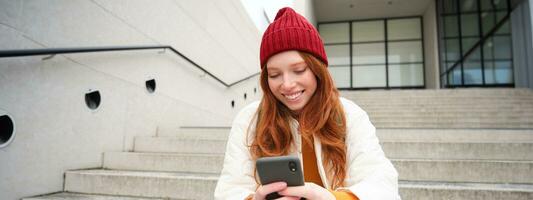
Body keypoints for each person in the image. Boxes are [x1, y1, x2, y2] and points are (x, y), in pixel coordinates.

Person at [214, 7, 400, 200]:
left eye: (299, 70)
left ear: (317, 69)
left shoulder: (350, 115)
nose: (287, 85)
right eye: (274, 75)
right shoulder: (249, 120)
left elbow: (382, 185)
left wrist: (331, 198)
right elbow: (230, 190)